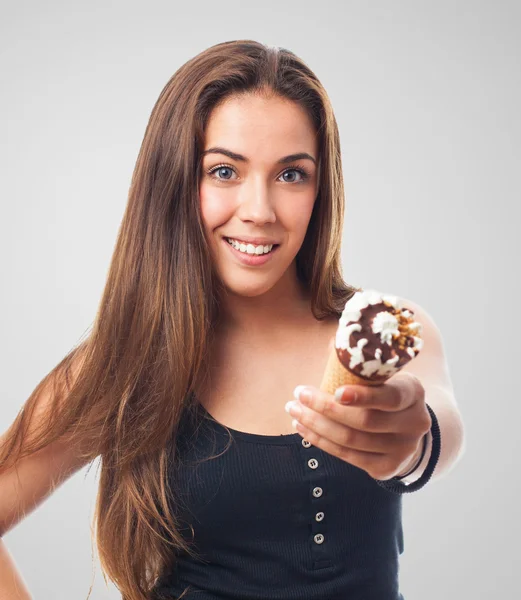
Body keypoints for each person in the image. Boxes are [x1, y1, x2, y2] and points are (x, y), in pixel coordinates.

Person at [0, 40, 465, 600]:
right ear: (173, 182)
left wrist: (408, 443)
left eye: (292, 175)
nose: (259, 210)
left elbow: (436, 427)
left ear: (322, 189)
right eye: (224, 171)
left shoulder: (385, 330)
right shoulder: (121, 363)